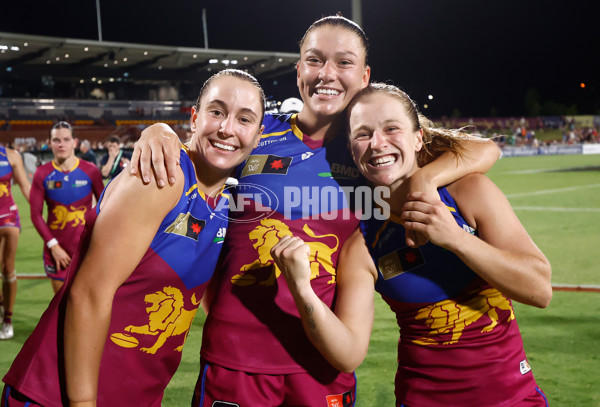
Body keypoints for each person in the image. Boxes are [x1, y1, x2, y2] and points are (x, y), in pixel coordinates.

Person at [131, 16, 501, 406]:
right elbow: (201, 149)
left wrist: (424, 180)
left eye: (343, 62)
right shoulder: (257, 133)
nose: (327, 74)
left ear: (364, 76)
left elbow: (484, 148)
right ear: (298, 71)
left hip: (324, 366)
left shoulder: (372, 150)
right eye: (314, 60)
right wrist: (160, 130)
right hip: (236, 361)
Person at [271, 83, 552, 406]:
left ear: (418, 137)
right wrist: (303, 291)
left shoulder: (468, 193)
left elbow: (540, 289)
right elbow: (347, 355)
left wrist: (456, 238)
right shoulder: (362, 246)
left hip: (514, 399)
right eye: (363, 134)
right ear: (352, 149)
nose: (377, 144)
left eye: (391, 128)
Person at [2, 69, 265, 406]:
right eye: (217, 111)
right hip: (55, 394)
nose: (227, 128)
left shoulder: (225, 203)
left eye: (244, 119)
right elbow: (89, 293)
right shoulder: (163, 176)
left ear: (258, 137)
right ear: (195, 119)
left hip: (133, 394)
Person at [29, 121, 105, 294]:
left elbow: (105, 207)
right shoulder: (42, 173)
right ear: (49, 143)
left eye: (66, 139)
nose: (61, 144)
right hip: (56, 253)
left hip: (87, 250)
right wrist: (53, 246)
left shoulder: (90, 170)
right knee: (62, 308)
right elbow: (35, 214)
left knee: (86, 306)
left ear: (75, 142)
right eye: (56, 140)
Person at [0, 145, 30, 340]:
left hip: (8, 217)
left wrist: (39, 213)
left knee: (7, 267)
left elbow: (25, 186)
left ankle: (7, 320)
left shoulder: (10, 155)